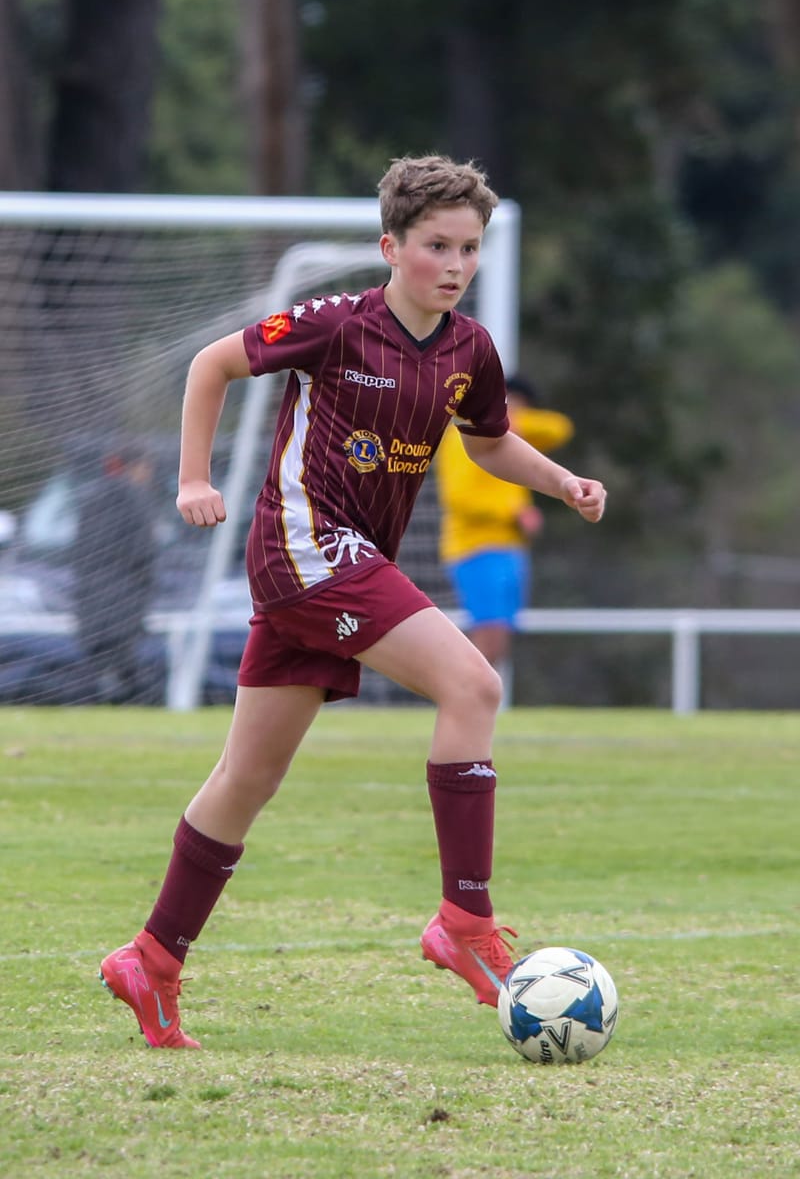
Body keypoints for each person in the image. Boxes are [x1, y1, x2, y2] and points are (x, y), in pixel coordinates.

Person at [98, 154, 606, 1049]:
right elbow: (212, 366)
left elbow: (489, 444)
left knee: (246, 779)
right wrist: (189, 478)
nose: (454, 265)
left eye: (468, 249)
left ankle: (151, 959)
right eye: (436, 246)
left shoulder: (468, 349)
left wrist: (562, 481)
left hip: (341, 562)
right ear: (391, 247)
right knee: (474, 687)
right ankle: (463, 921)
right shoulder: (337, 324)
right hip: (306, 548)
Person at [436, 375, 575, 681]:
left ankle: (473, 704)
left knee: (499, 642)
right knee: (489, 638)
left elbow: (559, 427)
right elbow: (458, 497)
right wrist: (513, 513)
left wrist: (514, 422)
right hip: (476, 548)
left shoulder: (511, 437)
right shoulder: (462, 437)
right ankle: (461, 699)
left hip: (509, 549)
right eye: (510, 406)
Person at [73, 444, 158, 703]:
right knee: (125, 656)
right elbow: (143, 548)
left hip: (91, 592)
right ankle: (126, 697)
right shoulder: (135, 496)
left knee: (100, 655)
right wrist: (147, 580)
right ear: (137, 467)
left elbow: (79, 547)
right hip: (125, 591)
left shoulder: (90, 496)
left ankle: (101, 694)